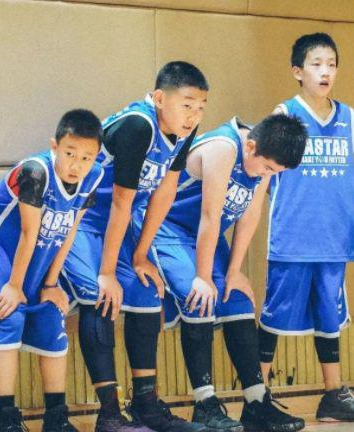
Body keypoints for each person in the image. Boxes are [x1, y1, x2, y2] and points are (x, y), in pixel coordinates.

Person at [133, 115, 307, 431]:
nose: (269, 174)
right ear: (250, 147)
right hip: (168, 229)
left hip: (205, 236)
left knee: (238, 300)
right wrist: (203, 277)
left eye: (275, 172)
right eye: (268, 168)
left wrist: (235, 270)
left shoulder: (263, 157)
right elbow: (210, 216)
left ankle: (256, 403)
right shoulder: (223, 148)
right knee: (199, 297)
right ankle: (205, 404)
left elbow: (250, 214)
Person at [60, 61, 208, 432]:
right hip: (82, 218)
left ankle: (145, 404)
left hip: (120, 222)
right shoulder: (139, 126)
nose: (194, 115)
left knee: (146, 293)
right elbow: (120, 200)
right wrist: (108, 272)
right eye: (187, 105)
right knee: (101, 294)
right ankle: (109, 413)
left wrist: (141, 255)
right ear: (159, 98)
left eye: (201, 107)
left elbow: (166, 191)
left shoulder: (183, 129)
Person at [0, 109, 104, 432]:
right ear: (54, 147)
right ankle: (5, 419)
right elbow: (28, 232)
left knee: (50, 314)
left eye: (86, 158)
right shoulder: (35, 172)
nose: (77, 165)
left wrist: (51, 283)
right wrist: (14, 286)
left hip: (38, 248)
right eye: (70, 154)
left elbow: (70, 229)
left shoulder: (94, 177)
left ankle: (56, 418)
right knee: (8, 314)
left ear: (96, 157)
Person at [258, 32, 354, 422]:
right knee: (274, 316)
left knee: (330, 318)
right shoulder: (285, 115)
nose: (325, 71)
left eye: (331, 64)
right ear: (298, 71)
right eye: (316, 64)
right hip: (293, 239)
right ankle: (257, 397)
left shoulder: (349, 119)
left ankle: (333, 396)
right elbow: (264, 176)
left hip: (334, 240)